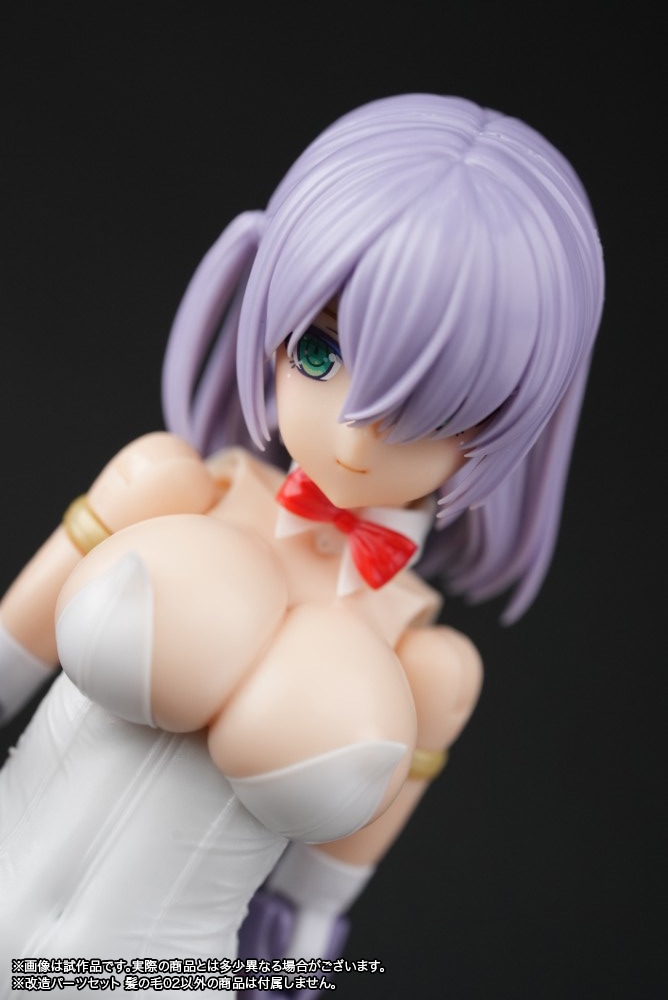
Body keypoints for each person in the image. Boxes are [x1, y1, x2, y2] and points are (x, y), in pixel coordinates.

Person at [0, 93, 604, 997]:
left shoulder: (428, 669)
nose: (356, 436)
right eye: (319, 354)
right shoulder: (163, 486)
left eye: (437, 411)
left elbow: (310, 916)